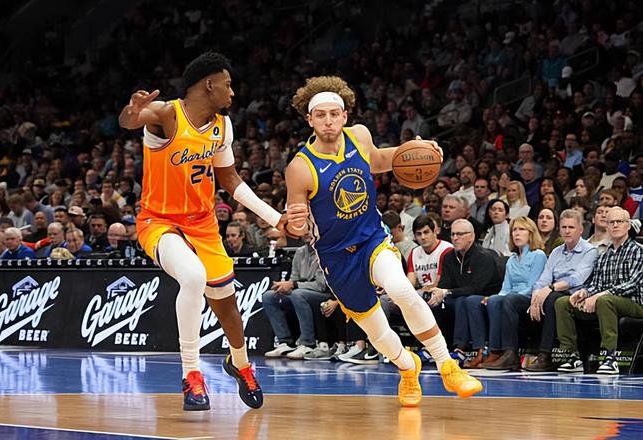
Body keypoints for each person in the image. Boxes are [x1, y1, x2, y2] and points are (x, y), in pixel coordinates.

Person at [284, 76, 482, 407]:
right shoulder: (299, 168)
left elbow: (378, 161)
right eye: (321, 115)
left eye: (334, 114)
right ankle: (408, 367)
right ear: (309, 119)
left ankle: (448, 366)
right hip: (336, 257)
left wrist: (419, 151)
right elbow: (295, 228)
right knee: (376, 331)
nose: (328, 121)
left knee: (402, 289)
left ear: (345, 115)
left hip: (372, 238)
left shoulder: (359, 136)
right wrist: (294, 223)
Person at [119, 52, 285, 411]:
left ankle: (240, 364)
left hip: (204, 226)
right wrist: (132, 110)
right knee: (193, 276)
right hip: (160, 222)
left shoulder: (223, 126)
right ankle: (191, 374)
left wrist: (276, 218)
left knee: (227, 304)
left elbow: (231, 180)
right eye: (228, 84)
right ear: (210, 84)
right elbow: (132, 120)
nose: (233, 92)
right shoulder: (167, 114)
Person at [555, 208, 643, 375]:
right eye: (611, 222)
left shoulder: (639, 250)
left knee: (604, 301)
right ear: (607, 227)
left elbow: (633, 284)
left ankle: (610, 357)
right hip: (607, 303)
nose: (615, 225)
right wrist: (584, 293)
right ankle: (572, 356)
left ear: (628, 225)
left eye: (619, 221)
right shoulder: (603, 255)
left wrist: (599, 295)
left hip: (636, 303)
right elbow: (596, 284)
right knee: (563, 303)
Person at [525, 209, 598, 371]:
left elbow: (577, 279)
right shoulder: (556, 252)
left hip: (576, 294)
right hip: (554, 291)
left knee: (551, 299)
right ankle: (514, 352)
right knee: (522, 301)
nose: (567, 231)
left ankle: (545, 355)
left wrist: (550, 288)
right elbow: (544, 278)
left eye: (571, 227)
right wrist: (536, 296)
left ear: (580, 230)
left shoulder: (590, 250)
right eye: (564, 227)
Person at [432, 219, 504, 368]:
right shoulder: (449, 257)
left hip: (485, 297)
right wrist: (439, 293)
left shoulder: (484, 257)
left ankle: (462, 348)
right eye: (453, 234)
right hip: (461, 296)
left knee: (464, 300)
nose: (455, 238)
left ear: (471, 236)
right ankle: (433, 347)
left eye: (460, 234)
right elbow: (444, 284)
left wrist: (447, 292)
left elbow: (476, 288)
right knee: (435, 303)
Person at [481, 217, 548, 370]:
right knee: (494, 301)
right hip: (511, 299)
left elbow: (533, 286)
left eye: (521, 229)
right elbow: (505, 288)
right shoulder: (511, 259)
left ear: (531, 233)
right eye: (514, 230)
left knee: (509, 300)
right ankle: (496, 351)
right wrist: (495, 297)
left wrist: (510, 296)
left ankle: (511, 353)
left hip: (530, 298)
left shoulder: (538, 255)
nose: (516, 233)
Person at [262, 238, 329, 359]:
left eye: (309, 230)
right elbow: (294, 278)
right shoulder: (300, 251)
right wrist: (284, 286)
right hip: (301, 291)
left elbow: (321, 286)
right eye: (304, 230)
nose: (306, 233)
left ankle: (308, 343)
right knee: (269, 296)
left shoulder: (325, 251)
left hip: (324, 295)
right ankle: (284, 342)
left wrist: (294, 284)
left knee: (297, 294)